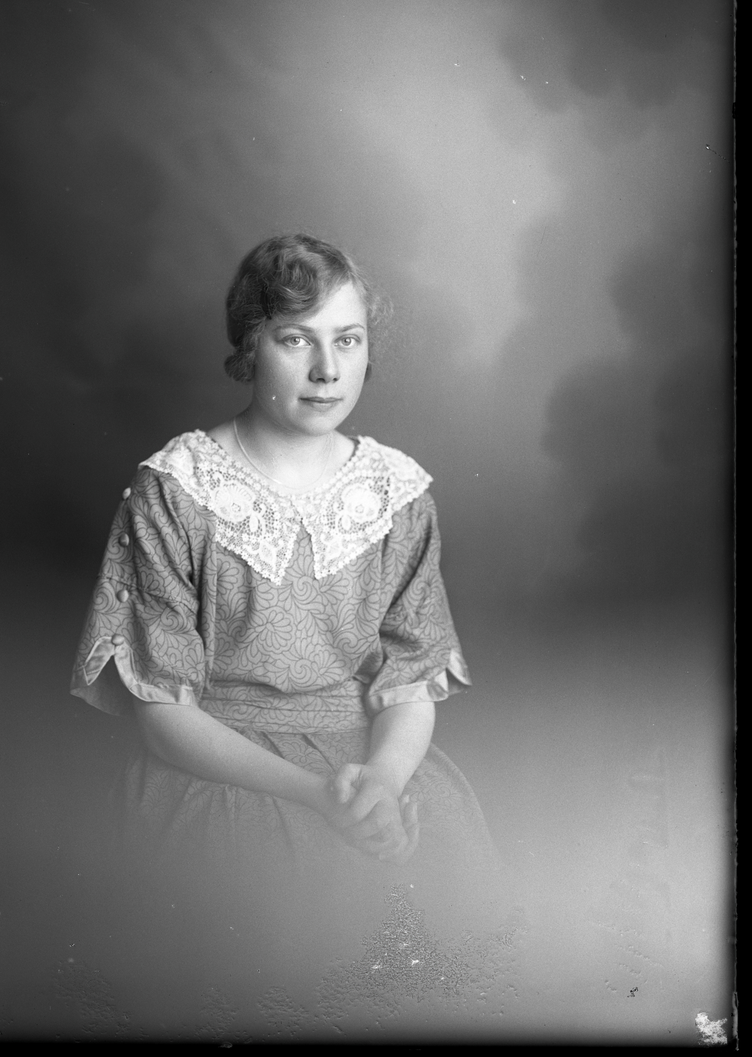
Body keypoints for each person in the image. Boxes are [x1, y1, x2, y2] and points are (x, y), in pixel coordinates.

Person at [69, 235, 521, 1042]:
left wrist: (379, 784)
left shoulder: (397, 492)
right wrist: (319, 797)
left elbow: (409, 681)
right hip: (222, 769)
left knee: (413, 986)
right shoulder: (176, 488)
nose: (326, 370)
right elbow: (162, 715)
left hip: (369, 762)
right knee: (252, 977)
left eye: (347, 340)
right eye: (295, 339)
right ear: (249, 347)